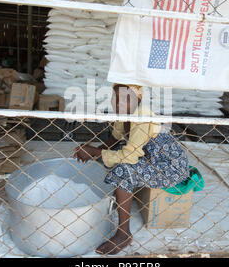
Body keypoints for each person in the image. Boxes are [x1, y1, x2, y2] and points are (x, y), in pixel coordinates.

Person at [73, 83, 190, 255]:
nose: (118, 103)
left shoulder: (142, 116)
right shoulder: (124, 114)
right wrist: (93, 152)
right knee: (113, 153)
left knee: (122, 170)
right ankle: (117, 195)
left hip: (169, 166)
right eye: (115, 98)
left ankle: (124, 234)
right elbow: (115, 137)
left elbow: (129, 157)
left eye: (125, 99)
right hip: (149, 158)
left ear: (137, 100)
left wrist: (93, 152)